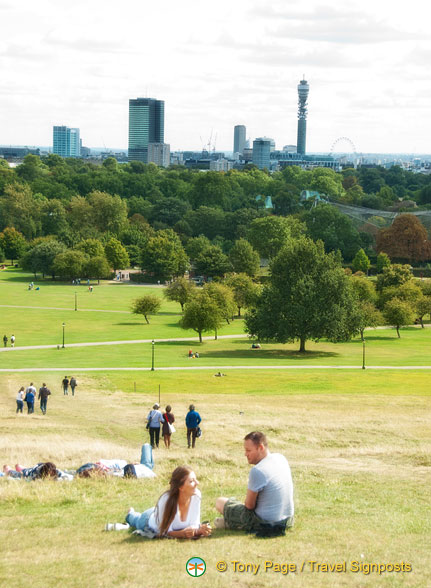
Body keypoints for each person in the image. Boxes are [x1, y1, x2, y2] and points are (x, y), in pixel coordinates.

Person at [215, 431, 294, 537]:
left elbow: (249, 506)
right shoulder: (281, 458)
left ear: (261, 447)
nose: (245, 454)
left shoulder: (258, 470)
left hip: (265, 523)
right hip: (287, 519)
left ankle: (229, 523)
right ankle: (228, 522)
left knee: (220, 502)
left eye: (248, 450)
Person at [124, 466, 212, 539]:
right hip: (148, 519)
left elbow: (194, 525)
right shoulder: (165, 500)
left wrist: (200, 530)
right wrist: (182, 534)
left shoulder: (196, 495)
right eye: (192, 481)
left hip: (158, 512)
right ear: (181, 487)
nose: (197, 483)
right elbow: (165, 532)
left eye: (196, 479)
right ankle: (131, 512)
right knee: (134, 519)